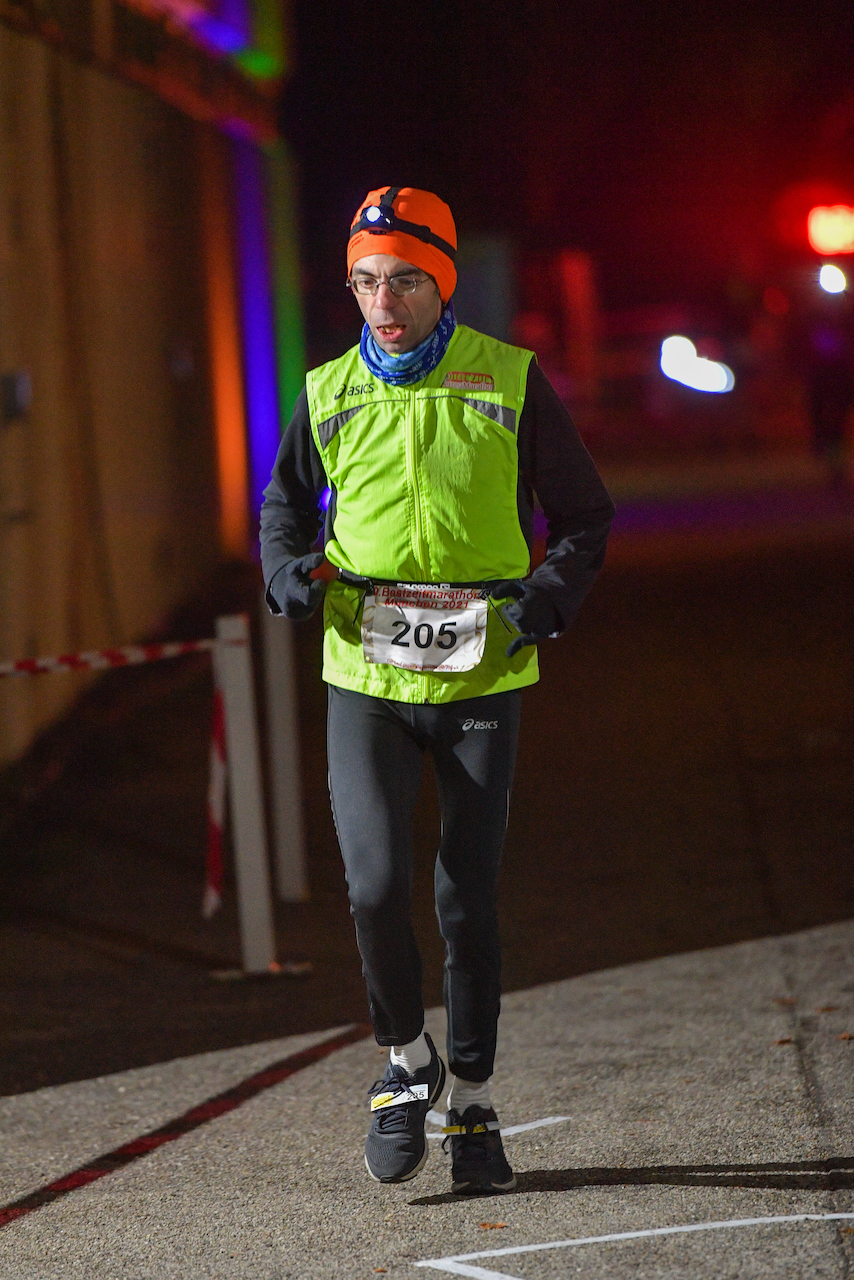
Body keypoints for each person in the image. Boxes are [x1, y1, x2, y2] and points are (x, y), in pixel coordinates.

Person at [260, 186, 614, 1194]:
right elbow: (282, 512)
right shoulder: (327, 391)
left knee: (464, 897)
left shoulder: (508, 379)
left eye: (405, 278)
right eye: (365, 280)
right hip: (363, 671)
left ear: (441, 283)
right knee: (372, 883)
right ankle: (403, 1058)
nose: (383, 299)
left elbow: (585, 515)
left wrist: (544, 599)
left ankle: (470, 1099)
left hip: (479, 670)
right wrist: (288, 575)